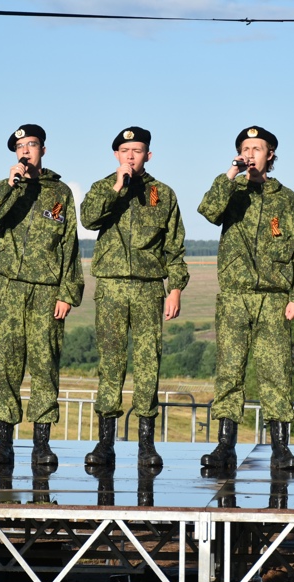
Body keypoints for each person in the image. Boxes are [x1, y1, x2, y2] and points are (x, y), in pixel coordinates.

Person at [197, 125, 294, 471]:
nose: (250, 154)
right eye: (244, 149)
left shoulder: (287, 199)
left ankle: (280, 447)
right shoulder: (231, 190)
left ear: (270, 155)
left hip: (275, 297)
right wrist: (230, 175)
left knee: (276, 373)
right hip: (235, 295)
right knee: (230, 372)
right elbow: (208, 210)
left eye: (256, 149)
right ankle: (225, 446)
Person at [80, 126, 188, 468]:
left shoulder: (163, 194)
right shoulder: (102, 188)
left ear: (148, 156)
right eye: (125, 151)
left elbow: (174, 245)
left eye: (137, 151)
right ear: (116, 155)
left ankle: (146, 444)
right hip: (111, 287)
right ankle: (105, 443)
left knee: (147, 364)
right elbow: (89, 218)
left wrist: (176, 288)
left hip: (147, 287)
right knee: (110, 364)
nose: (131, 156)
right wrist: (117, 188)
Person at [0, 124, 83, 467]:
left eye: (32, 145)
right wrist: (11, 187)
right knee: (6, 365)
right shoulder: (4, 187)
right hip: (9, 286)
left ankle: (41, 443)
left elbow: (70, 245)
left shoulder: (60, 193)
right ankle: (5, 442)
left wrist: (68, 293)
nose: (26, 151)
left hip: (46, 290)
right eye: (20, 146)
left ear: (43, 149)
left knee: (44, 365)